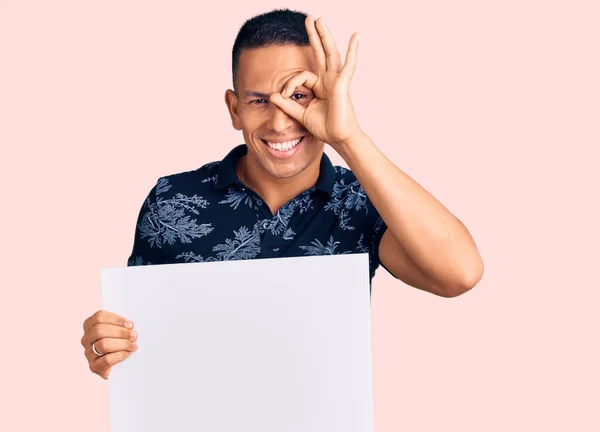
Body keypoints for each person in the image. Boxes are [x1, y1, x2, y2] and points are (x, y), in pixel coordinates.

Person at [81, 8, 484, 380]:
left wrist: (349, 138)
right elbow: (137, 342)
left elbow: (459, 274)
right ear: (234, 108)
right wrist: (108, 348)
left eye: (298, 96)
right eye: (258, 100)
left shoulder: (362, 200)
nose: (280, 122)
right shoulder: (171, 199)